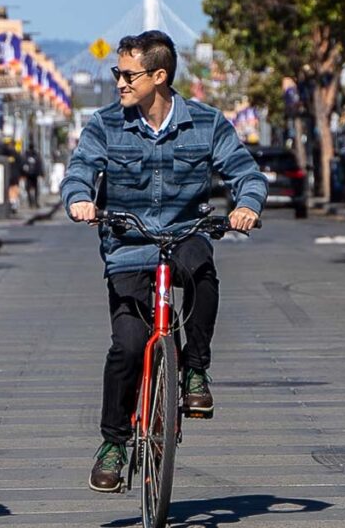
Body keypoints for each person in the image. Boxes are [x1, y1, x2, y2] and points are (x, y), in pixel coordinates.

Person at [60, 30, 266, 494]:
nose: (119, 83)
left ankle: (194, 368)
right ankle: (113, 443)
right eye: (117, 72)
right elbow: (79, 170)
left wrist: (247, 204)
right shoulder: (105, 124)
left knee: (202, 272)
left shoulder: (207, 123)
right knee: (128, 347)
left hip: (184, 232)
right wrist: (79, 199)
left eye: (128, 74)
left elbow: (245, 172)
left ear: (159, 76)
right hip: (129, 242)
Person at [21, 141, 44, 209]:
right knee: (36, 188)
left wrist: (22, 174)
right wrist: (41, 173)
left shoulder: (25, 154)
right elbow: (39, 164)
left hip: (28, 174)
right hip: (35, 174)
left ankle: (30, 202)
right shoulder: (36, 154)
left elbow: (23, 164)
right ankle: (36, 202)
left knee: (28, 188)